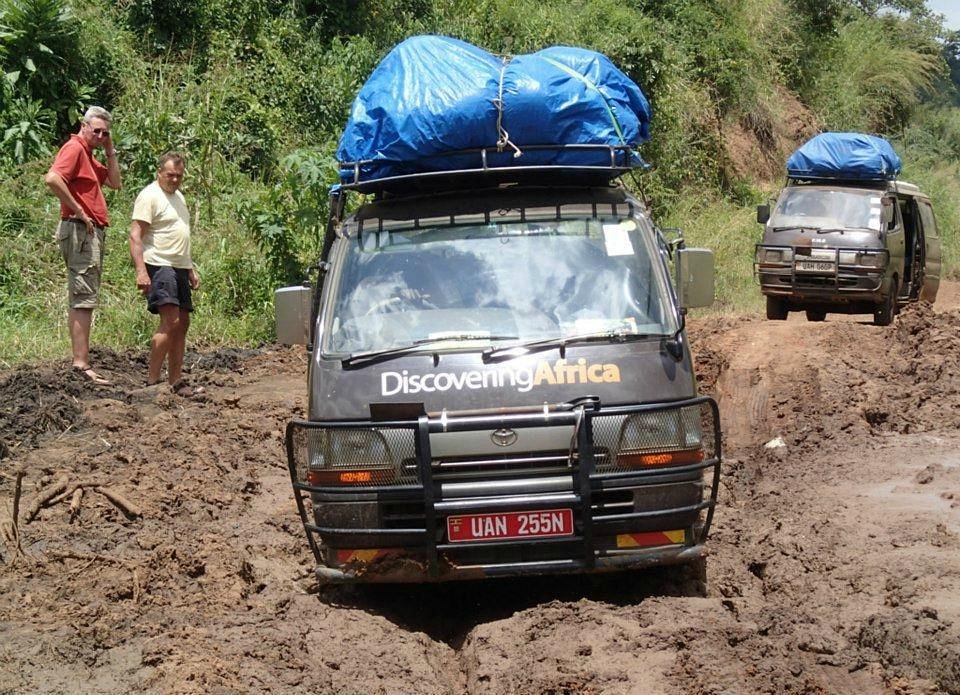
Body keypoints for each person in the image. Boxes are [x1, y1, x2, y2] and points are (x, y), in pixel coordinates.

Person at [44, 105, 122, 385]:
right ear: (84, 126)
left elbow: (115, 183)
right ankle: (80, 364)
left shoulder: (88, 154)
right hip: (79, 229)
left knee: (85, 294)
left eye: (105, 133)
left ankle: (81, 361)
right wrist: (79, 210)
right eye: (97, 130)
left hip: (86, 230)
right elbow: (52, 178)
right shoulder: (75, 148)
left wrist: (110, 149)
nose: (100, 136)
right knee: (83, 297)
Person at [128, 152, 202, 395]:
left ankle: (175, 380)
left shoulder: (178, 197)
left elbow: (179, 233)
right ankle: (152, 381)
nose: (174, 180)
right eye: (170, 175)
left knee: (183, 324)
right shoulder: (149, 196)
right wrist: (141, 272)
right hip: (159, 264)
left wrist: (190, 268)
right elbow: (135, 235)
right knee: (171, 321)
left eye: (179, 176)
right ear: (159, 172)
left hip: (179, 266)